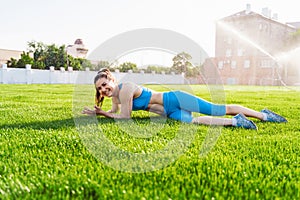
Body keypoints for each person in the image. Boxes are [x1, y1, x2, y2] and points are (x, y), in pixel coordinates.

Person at [82, 68, 287, 130]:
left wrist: (103, 114)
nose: (103, 89)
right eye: (100, 88)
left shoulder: (125, 89)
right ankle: (237, 122)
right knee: (194, 121)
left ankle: (264, 115)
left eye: (105, 84)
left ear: (113, 79)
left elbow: (125, 118)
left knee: (217, 108)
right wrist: (101, 113)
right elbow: (116, 113)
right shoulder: (116, 97)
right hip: (169, 112)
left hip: (176, 99)